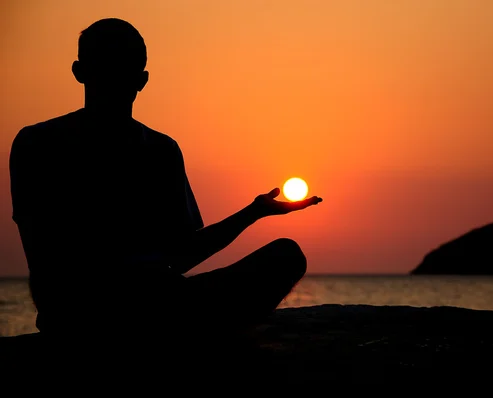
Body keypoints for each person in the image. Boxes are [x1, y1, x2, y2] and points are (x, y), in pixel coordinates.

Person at [9, 18, 322, 344]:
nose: (114, 80)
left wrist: (254, 211)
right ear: (81, 72)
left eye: (122, 69)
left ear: (140, 79)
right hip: (87, 316)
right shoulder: (38, 144)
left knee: (286, 255)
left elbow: (183, 253)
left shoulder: (161, 150)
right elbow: (42, 254)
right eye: (107, 67)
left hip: (163, 304)